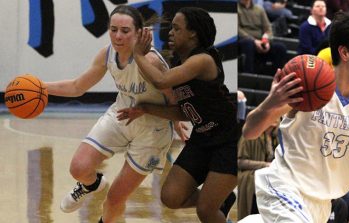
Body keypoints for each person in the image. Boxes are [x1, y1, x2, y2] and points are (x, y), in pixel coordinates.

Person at [242, 10, 349, 222]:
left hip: (322, 202)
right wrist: (272, 102)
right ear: (345, 52)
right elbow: (250, 131)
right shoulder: (308, 82)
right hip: (284, 187)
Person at [44, 5, 184, 223]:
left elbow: (175, 98)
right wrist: (40, 87)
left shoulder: (152, 61)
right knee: (78, 168)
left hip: (152, 129)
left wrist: (176, 122)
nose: (118, 36)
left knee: (113, 200)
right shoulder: (107, 54)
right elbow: (77, 87)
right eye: (113, 29)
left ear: (139, 33)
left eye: (125, 31)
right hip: (121, 114)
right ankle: (91, 184)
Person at [118, 7, 239, 223]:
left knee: (206, 211)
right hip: (202, 138)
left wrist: (137, 54)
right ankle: (222, 198)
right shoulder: (179, 64)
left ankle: (214, 203)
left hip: (228, 139)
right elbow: (185, 111)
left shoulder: (202, 60)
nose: (170, 33)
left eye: (176, 28)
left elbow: (161, 81)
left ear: (193, 33)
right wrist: (145, 108)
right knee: (171, 197)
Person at [237, 119, 278, 220]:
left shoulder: (276, 138)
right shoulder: (250, 136)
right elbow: (240, 162)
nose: (276, 119)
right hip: (252, 180)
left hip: (270, 183)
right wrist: (266, 165)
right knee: (253, 216)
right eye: (274, 115)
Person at [238, 0, 287, 74]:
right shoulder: (235, 9)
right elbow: (237, 30)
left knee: (280, 48)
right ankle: (248, 76)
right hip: (244, 42)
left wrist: (266, 40)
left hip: (261, 41)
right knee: (249, 43)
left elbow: (268, 29)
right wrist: (254, 41)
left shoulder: (259, 9)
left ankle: (277, 77)